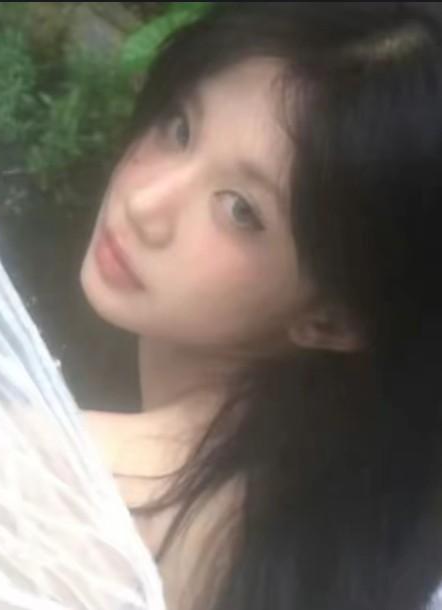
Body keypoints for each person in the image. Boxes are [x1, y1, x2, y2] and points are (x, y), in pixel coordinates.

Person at [79, 3, 442, 610]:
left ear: (331, 319)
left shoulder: (43, 484)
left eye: (241, 210)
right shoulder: (367, 543)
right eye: (180, 127)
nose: (144, 204)